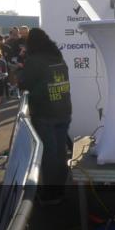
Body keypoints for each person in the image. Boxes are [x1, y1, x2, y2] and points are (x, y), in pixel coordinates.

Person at [18, 28, 72, 204]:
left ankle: (51, 194)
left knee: (49, 154)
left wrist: (20, 68)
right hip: (63, 110)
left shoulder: (34, 61)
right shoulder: (57, 57)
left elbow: (23, 83)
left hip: (44, 112)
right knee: (60, 154)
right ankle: (60, 190)